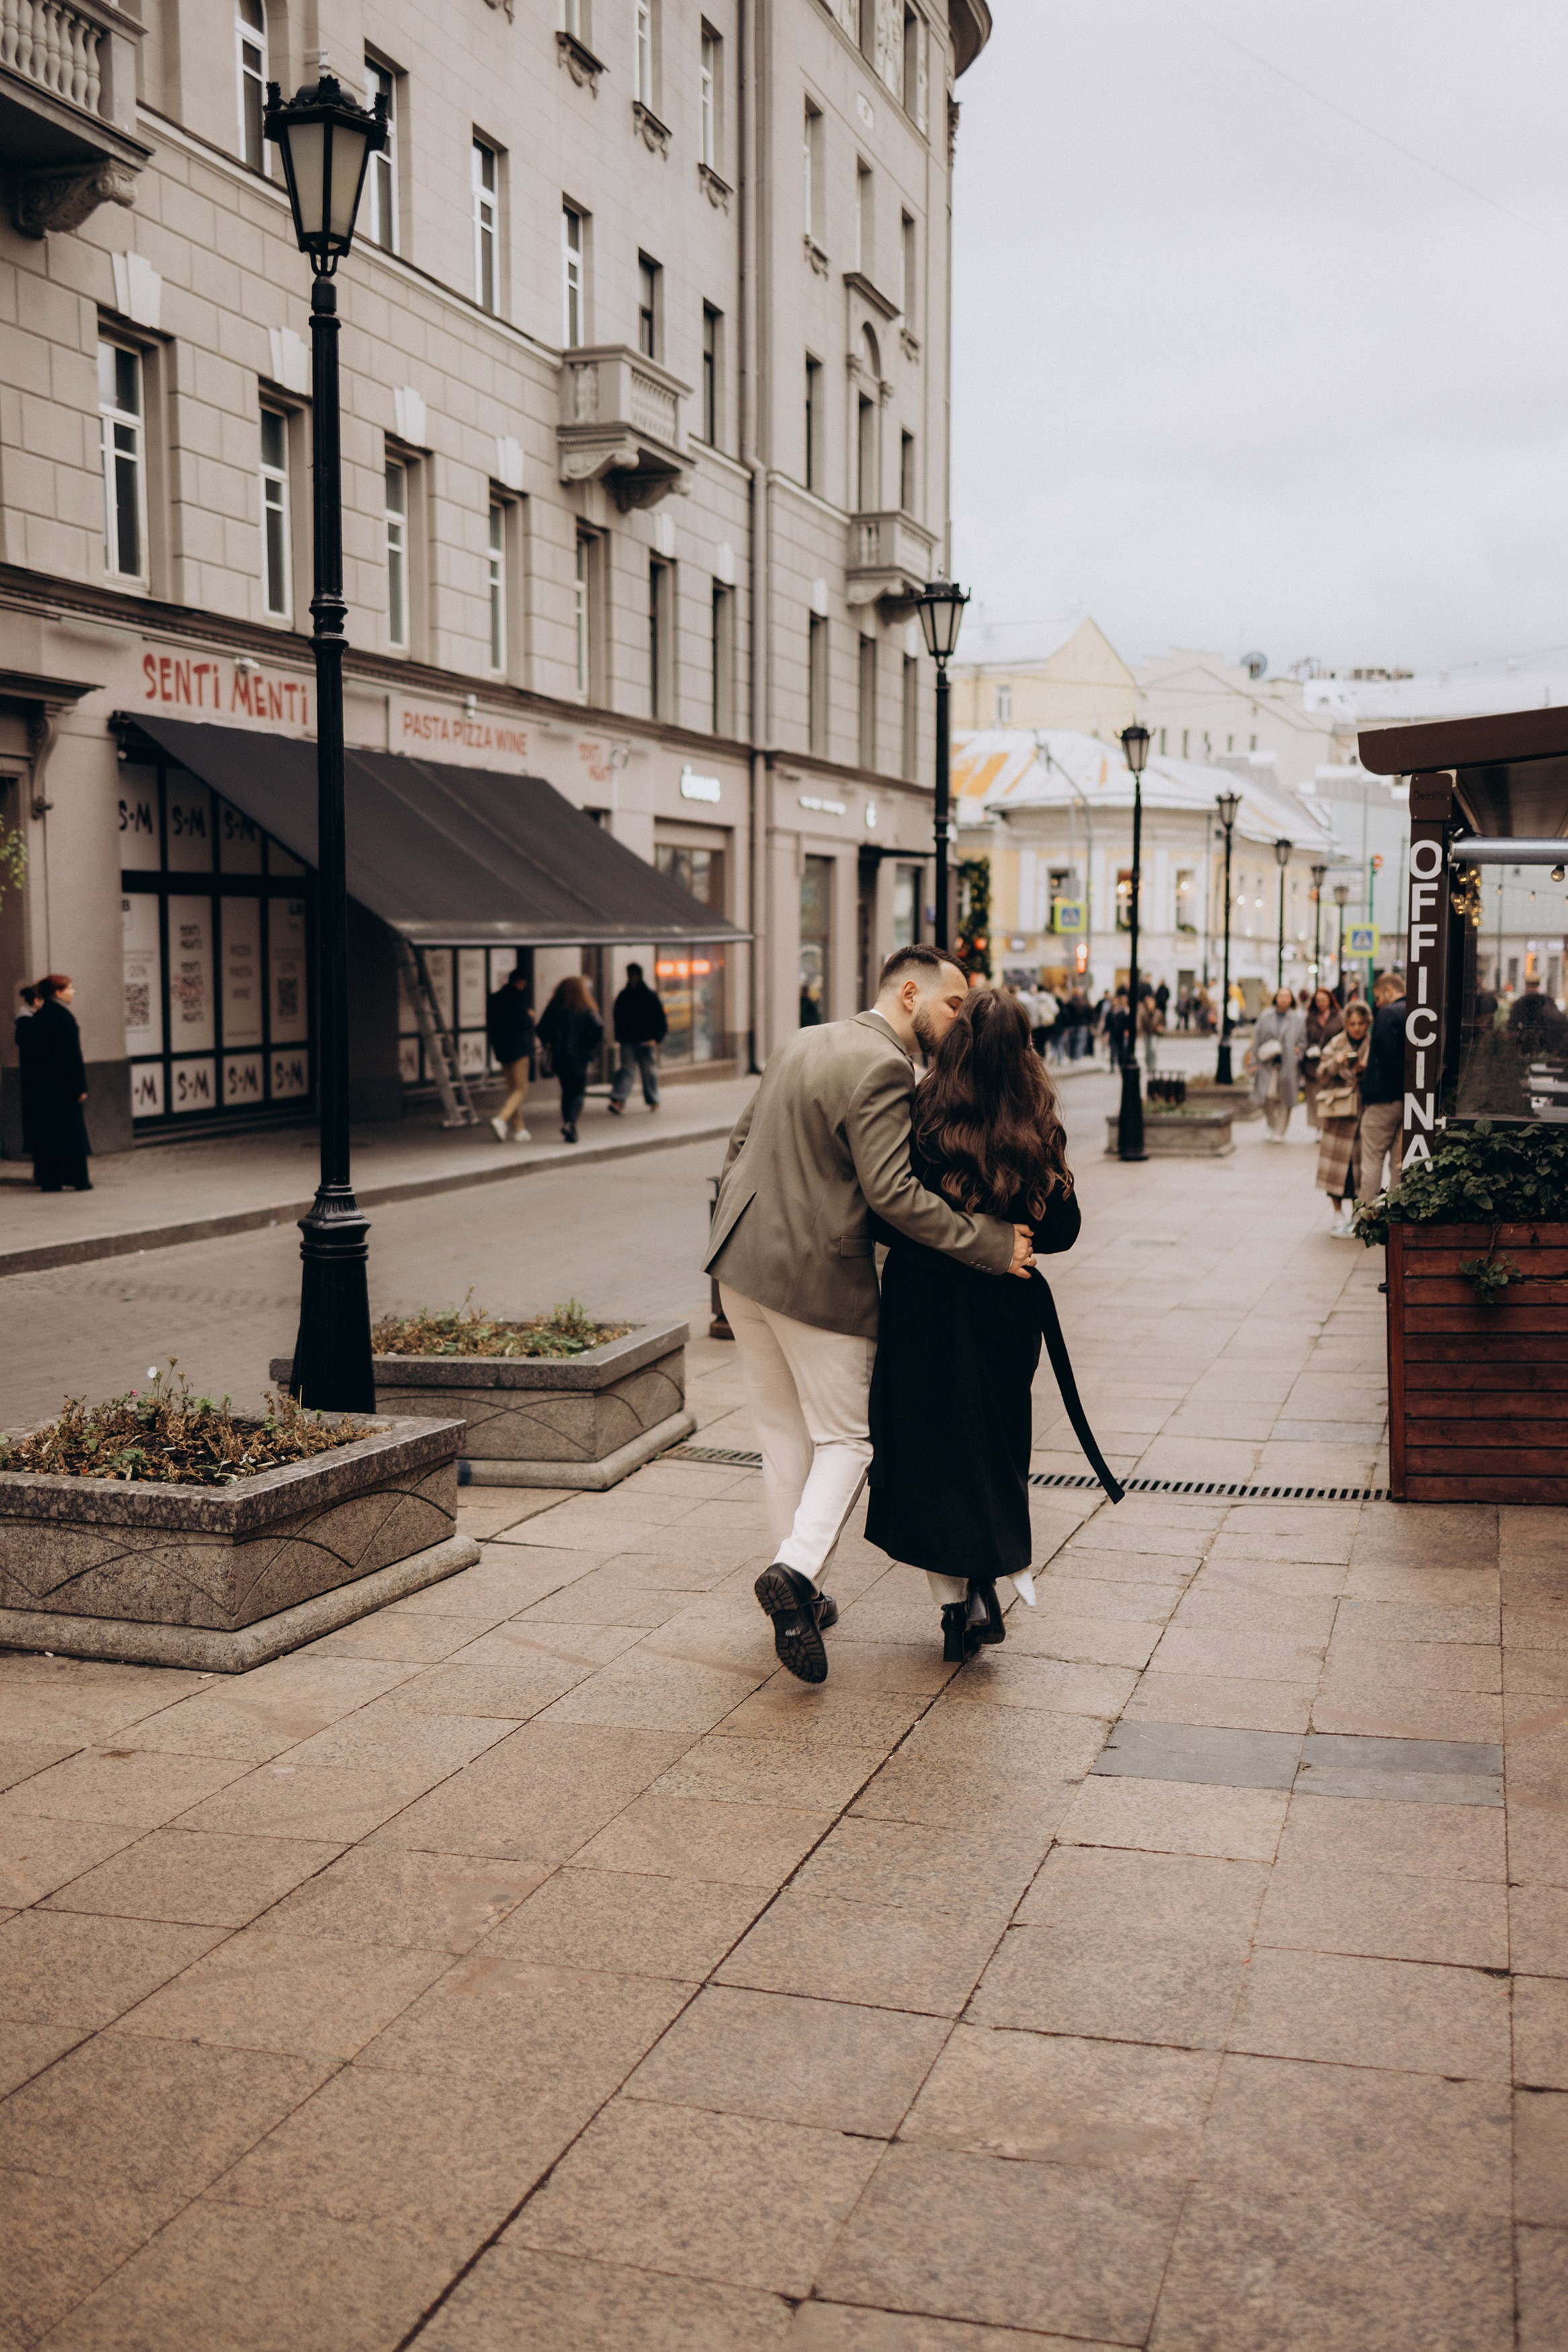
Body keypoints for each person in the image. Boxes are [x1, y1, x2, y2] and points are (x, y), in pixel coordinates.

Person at [705, 943, 1035, 1684]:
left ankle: (804, 1594)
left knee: (785, 1436)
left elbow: (737, 1145)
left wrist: (734, 1230)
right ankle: (793, 1572)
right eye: (953, 1004)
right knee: (851, 1437)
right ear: (910, 993)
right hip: (815, 1278)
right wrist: (989, 1242)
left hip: (741, 1267)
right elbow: (892, 1194)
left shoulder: (804, 1040)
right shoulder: (886, 1066)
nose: (958, 1021)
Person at [866, 989, 1086, 1660]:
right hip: (1002, 1308)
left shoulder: (923, 1111)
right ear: (1025, 1047)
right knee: (991, 1446)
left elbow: (885, 1213)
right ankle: (986, 1583)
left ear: (956, 1039)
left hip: (921, 1304)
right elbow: (1064, 1229)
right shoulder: (1035, 1116)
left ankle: (955, 1609)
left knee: (932, 1451)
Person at [17, 973, 91, 1191]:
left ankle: (50, 1180)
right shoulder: (64, 1019)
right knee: (72, 1133)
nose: (73, 992)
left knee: (47, 1135)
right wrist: (80, 1086)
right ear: (57, 993)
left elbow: (26, 1047)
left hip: (41, 1092)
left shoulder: (35, 1020)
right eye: (70, 988)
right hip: (65, 1089)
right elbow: (73, 1057)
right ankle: (78, 1179)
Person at [1314, 1000, 1370, 1235]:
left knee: (1358, 1169)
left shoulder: (1373, 1044)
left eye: (1361, 1023)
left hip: (1362, 1109)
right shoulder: (1336, 1043)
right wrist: (1336, 1064)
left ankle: (1357, 1212)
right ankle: (1337, 1213)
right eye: (1352, 1024)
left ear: (1368, 1023)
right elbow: (1320, 1074)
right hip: (1338, 1112)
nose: (1356, 1028)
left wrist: (1363, 1069)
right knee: (1335, 1169)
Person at [1356, 969, 1407, 1199]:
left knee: (1372, 1160)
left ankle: (1367, 1216)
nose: (1377, 1003)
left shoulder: (1387, 1014)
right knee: (1399, 1162)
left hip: (1383, 1100)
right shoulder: (1415, 1012)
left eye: (1377, 998)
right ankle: (1395, 1214)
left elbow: (1387, 1057)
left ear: (1388, 990)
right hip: (1408, 1101)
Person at [535, 973, 603, 1144]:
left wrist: (549, 1043)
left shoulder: (554, 1006)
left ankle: (568, 1123)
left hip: (560, 1057)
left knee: (566, 1091)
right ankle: (571, 1123)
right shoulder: (585, 1007)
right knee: (578, 1091)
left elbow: (541, 1029)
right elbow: (598, 1027)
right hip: (579, 1057)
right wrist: (589, 1044)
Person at [609, 962, 667, 1115]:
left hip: (645, 1040)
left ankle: (653, 1100)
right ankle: (619, 1100)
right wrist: (621, 1037)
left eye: (634, 974)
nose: (632, 977)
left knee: (649, 1072)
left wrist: (656, 1038)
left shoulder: (648, 996)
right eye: (630, 974)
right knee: (628, 1071)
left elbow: (660, 1018)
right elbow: (618, 1017)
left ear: (639, 975)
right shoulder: (625, 996)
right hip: (629, 1040)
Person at [485, 966, 535, 1143]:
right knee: (521, 1089)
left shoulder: (494, 999)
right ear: (521, 982)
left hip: (501, 1049)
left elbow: (491, 1025)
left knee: (512, 1090)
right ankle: (501, 1119)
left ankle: (519, 1128)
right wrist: (530, 1016)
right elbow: (524, 1023)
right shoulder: (519, 997)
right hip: (518, 1049)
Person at [1249, 986, 1306, 1140]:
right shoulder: (1266, 1016)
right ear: (1276, 998)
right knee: (1268, 1096)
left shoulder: (1297, 1019)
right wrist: (1253, 1062)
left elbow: (1302, 1043)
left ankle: (1280, 1131)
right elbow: (1257, 1040)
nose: (1284, 999)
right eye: (1281, 996)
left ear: (1292, 999)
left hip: (1288, 1065)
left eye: (1287, 996)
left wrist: (1297, 1055)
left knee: (1285, 1098)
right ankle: (1271, 1125)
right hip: (1268, 1064)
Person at [1301, 986, 1343, 1132]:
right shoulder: (1310, 1018)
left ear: (1330, 1000)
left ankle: (1328, 1125)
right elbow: (1303, 1038)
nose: (1321, 1003)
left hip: (1331, 1063)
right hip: (1313, 1064)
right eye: (1318, 1000)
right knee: (1314, 1098)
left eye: (1323, 1000)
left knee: (1329, 1096)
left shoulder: (1339, 1016)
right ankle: (1318, 1127)